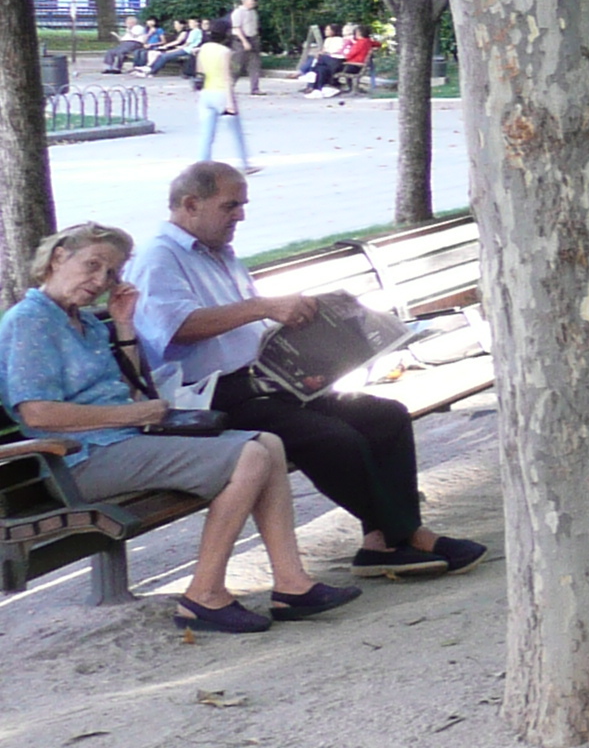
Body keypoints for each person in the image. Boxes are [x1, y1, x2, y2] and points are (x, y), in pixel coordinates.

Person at [125, 163, 483, 580]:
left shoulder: (219, 253)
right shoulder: (158, 259)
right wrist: (264, 306)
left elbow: (249, 329)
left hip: (266, 380)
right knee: (332, 438)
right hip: (210, 397)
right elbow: (179, 329)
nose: (240, 215)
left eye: (242, 205)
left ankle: (379, 543)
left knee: (384, 417)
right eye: (231, 205)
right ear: (190, 204)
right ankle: (411, 535)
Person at [4, 222, 360, 632]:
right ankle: (204, 595)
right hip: (80, 461)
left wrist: (122, 326)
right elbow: (36, 413)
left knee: (268, 443)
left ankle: (292, 584)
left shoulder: (79, 322)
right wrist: (133, 416)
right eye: (92, 265)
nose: (100, 281)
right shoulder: (30, 322)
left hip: (123, 443)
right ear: (58, 257)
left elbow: (133, 388)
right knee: (248, 457)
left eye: (110, 272)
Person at [191, 15, 254, 171]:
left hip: (206, 94)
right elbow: (227, 78)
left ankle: (202, 165)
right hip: (221, 94)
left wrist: (198, 94)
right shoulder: (225, 52)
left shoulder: (203, 49)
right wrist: (230, 101)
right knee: (236, 132)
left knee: (207, 134)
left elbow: (200, 73)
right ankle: (245, 163)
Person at [228, 0, 264, 90]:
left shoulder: (253, 12)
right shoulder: (238, 12)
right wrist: (244, 42)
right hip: (241, 39)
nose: (254, 2)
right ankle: (229, 86)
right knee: (237, 64)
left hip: (253, 38)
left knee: (255, 64)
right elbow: (237, 28)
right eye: (252, 0)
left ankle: (255, 88)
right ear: (245, 1)